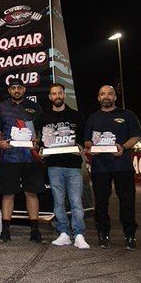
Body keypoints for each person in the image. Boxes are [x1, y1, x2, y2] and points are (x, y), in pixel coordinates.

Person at [84, 85, 141, 250]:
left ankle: (130, 236)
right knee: (101, 203)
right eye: (102, 94)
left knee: (127, 202)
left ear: (115, 97)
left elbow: (136, 136)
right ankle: (103, 235)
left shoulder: (128, 115)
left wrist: (123, 147)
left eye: (110, 94)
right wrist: (90, 148)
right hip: (100, 168)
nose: (106, 96)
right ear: (98, 98)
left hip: (123, 166)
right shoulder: (93, 118)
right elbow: (87, 141)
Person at [36, 83, 89, 249]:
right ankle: (64, 233)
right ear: (50, 97)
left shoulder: (76, 115)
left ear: (64, 95)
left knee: (76, 201)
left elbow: (84, 139)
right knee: (58, 201)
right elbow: (39, 140)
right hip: (54, 165)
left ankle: (79, 234)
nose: (57, 96)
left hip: (73, 165)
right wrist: (40, 150)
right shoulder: (43, 117)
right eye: (54, 93)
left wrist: (81, 148)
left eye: (60, 93)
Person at [0, 78, 43, 244]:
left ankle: (35, 231)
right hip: (9, 157)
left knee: (31, 193)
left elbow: (40, 131)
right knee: (8, 194)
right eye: (13, 88)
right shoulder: (1, 107)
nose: (16, 90)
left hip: (30, 158)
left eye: (19, 88)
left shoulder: (35, 107)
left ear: (24, 89)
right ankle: (5, 231)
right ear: (9, 90)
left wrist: (37, 141)